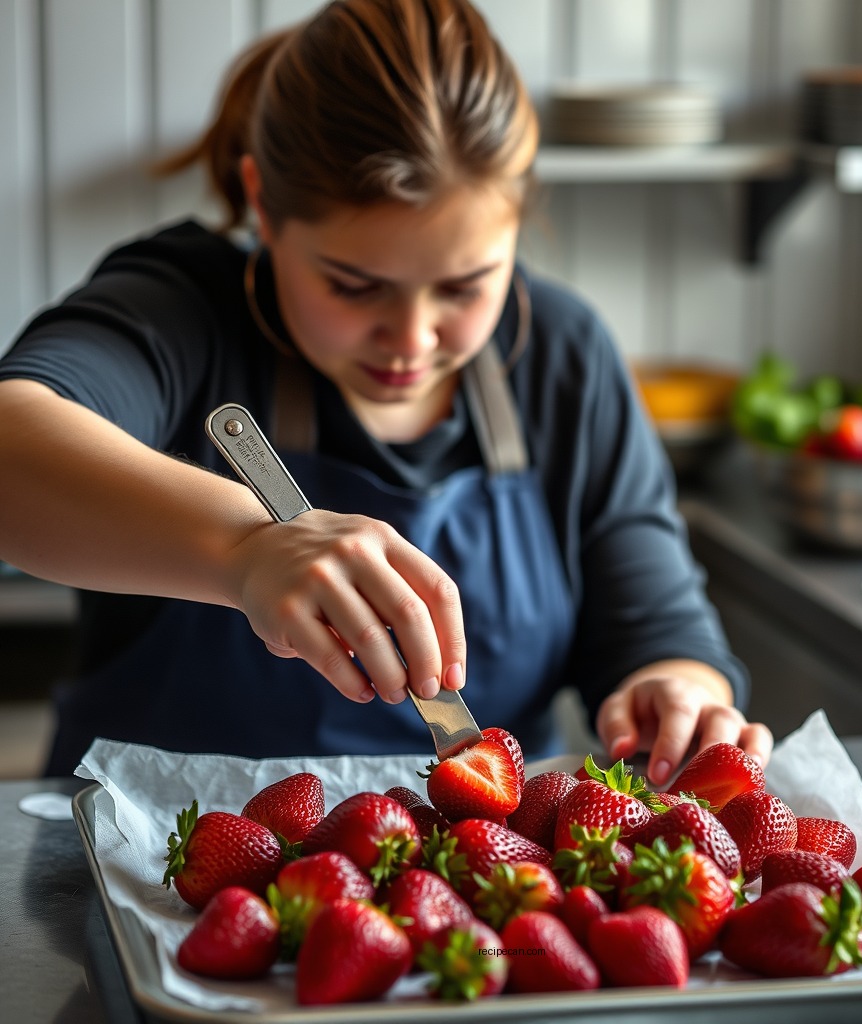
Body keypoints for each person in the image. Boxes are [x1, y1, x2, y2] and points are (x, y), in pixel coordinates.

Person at [0, 0, 771, 780]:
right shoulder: (181, 313)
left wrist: (677, 689)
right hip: (150, 869)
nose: (412, 338)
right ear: (262, 205)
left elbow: (655, 624)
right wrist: (246, 550)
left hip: (477, 890)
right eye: (354, 286)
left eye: (466, 286)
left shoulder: (562, 355)